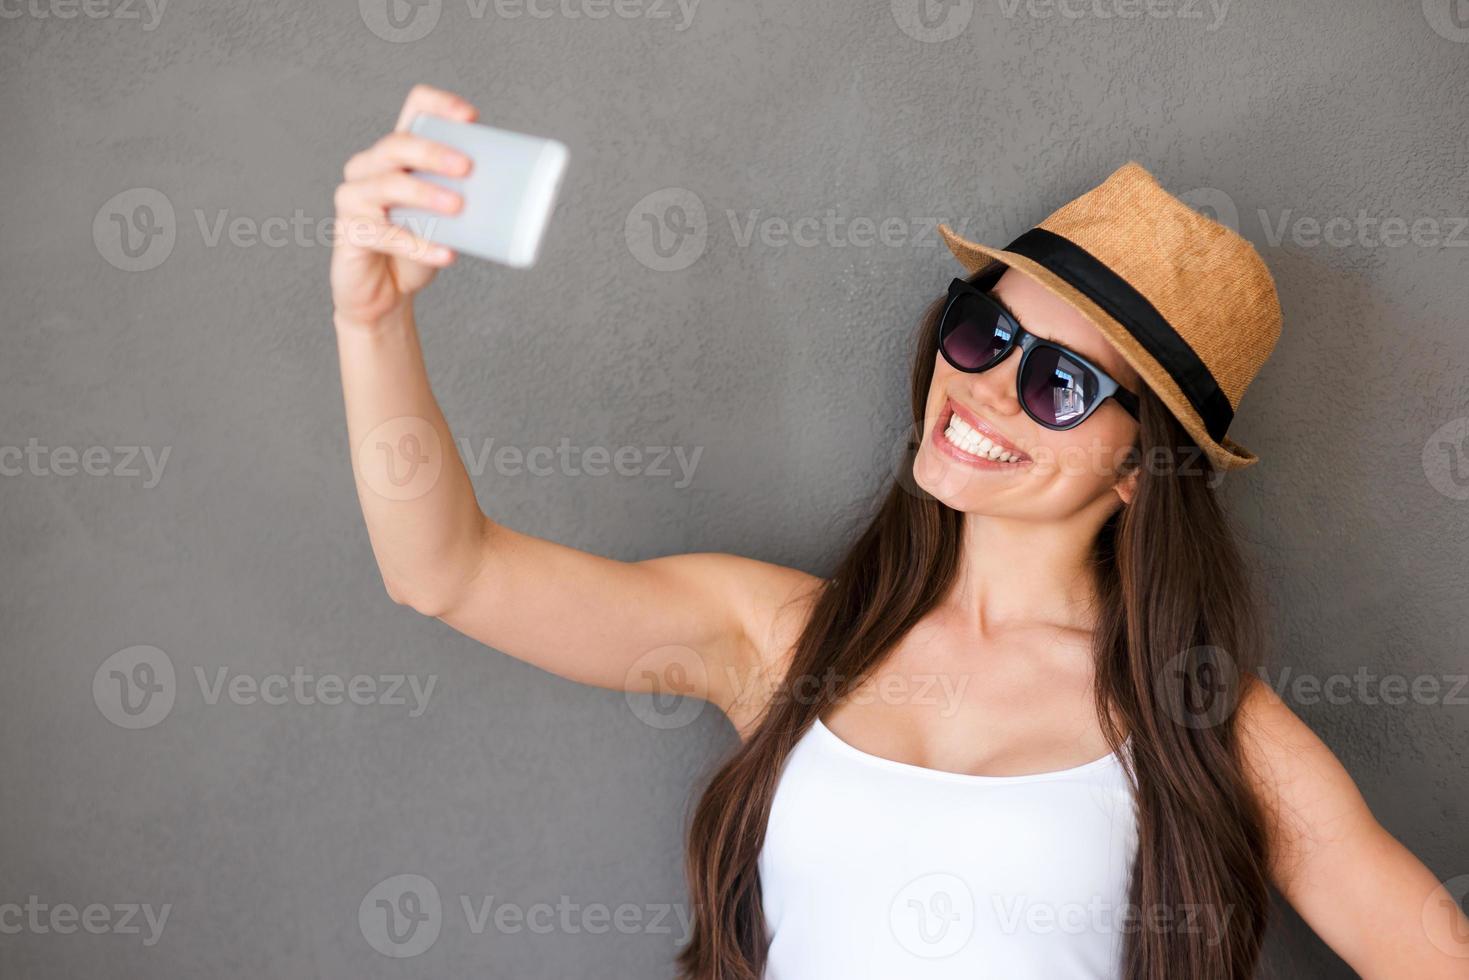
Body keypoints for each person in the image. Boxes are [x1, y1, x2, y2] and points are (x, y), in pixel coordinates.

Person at [330, 84, 1469, 979]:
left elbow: (1429, 952)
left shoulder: (1199, 714)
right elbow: (448, 571)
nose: (981, 391)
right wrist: (367, 314)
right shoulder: (778, 634)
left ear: (1140, 470)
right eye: (980, 332)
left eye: (1061, 385)